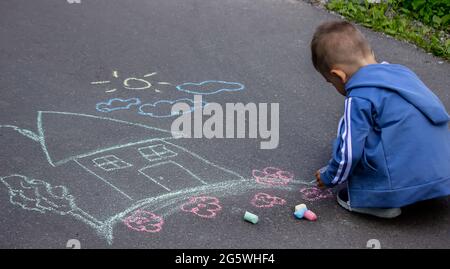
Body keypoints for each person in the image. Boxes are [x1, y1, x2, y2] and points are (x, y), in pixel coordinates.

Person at [310, 20, 450, 218]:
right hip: (443, 172)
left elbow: (350, 152)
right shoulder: (404, 74)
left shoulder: (359, 96)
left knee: (352, 133)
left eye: (331, 82)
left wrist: (330, 176)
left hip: (399, 185)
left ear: (339, 75)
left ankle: (380, 201)